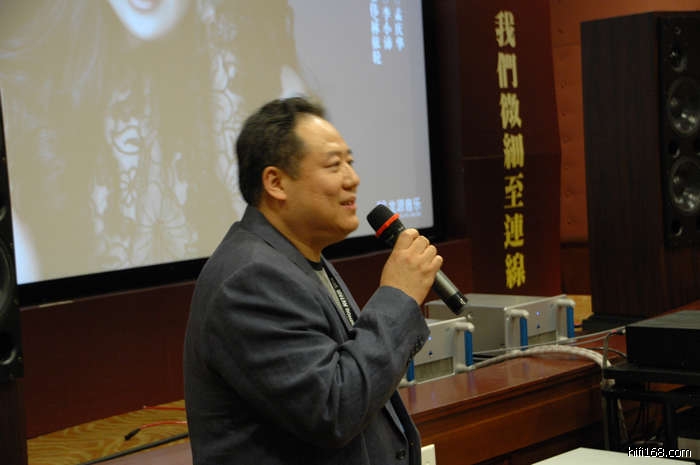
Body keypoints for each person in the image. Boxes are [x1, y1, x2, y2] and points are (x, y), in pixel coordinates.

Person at [183, 96, 442, 464]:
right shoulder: (251, 277)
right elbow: (334, 409)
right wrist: (398, 295)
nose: (353, 179)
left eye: (350, 162)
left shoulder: (297, 258)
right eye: (334, 165)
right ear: (276, 182)